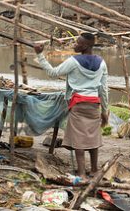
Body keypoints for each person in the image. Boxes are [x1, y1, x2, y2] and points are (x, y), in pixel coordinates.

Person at [34, 33, 109, 179]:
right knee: (93, 137)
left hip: (78, 104)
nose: (74, 45)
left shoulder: (73, 61)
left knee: (79, 139)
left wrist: (40, 55)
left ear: (86, 46)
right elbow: (103, 89)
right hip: (94, 104)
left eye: (77, 43)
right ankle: (94, 169)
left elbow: (53, 73)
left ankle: (81, 172)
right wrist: (105, 111)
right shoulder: (101, 62)